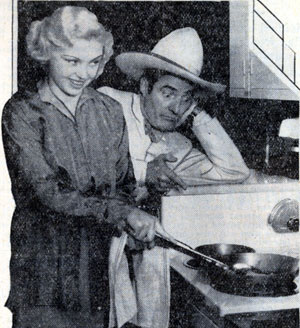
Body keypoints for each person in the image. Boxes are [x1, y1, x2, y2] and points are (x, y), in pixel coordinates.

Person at [2, 6, 161, 328]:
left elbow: (123, 183)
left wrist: (131, 213)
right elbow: (47, 193)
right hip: (43, 268)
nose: (83, 73)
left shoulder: (108, 110)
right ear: (46, 54)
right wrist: (121, 214)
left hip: (97, 266)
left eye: (93, 62)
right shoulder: (22, 112)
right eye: (71, 61)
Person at [98, 28, 250, 198]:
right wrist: (144, 172)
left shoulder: (179, 147)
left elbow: (235, 172)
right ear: (145, 86)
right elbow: (85, 167)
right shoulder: (108, 102)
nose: (176, 109)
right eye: (168, 94)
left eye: (186, 98)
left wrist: (196, 113)